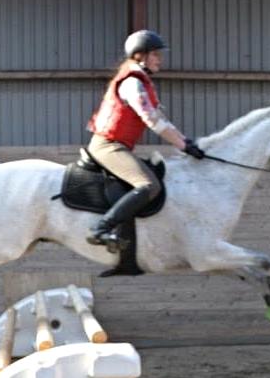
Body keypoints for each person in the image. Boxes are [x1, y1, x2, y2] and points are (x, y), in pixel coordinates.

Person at [85, 29, 205, 250]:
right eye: (156, 55)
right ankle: (101, 229)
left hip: (118, 146)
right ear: (140, 55)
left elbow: (162, 119)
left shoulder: (141, 81)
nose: (160, 59)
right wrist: (182, 145)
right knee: (148, 185)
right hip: (108, 146)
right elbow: (152, 120)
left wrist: (186, 142)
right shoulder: (132, 82)